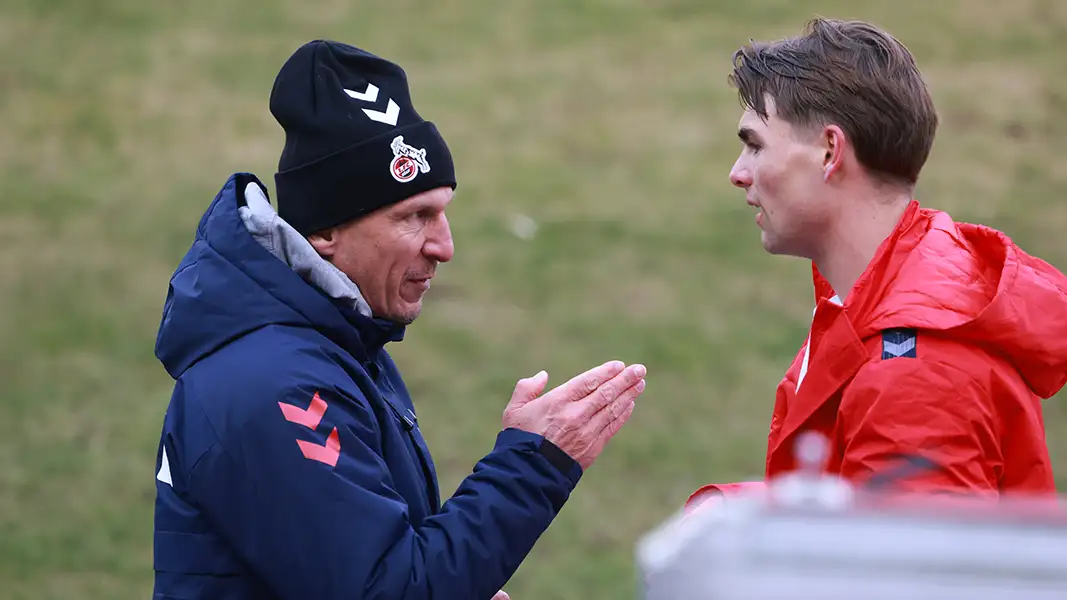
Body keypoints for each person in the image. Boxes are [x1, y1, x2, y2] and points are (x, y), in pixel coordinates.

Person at [150, 40, 647, 600]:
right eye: (415, 216)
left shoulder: (338, 345)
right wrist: (532, 465)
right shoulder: (273, 384)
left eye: (442, 211)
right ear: (327, 231)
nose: (445, 246)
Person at [687, 18, 1067, 511]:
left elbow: (907, 577)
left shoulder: (913, 371)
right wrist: (738, 511)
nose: (738, 174)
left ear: (830, 152)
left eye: (756, 144)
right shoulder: (879, 308)